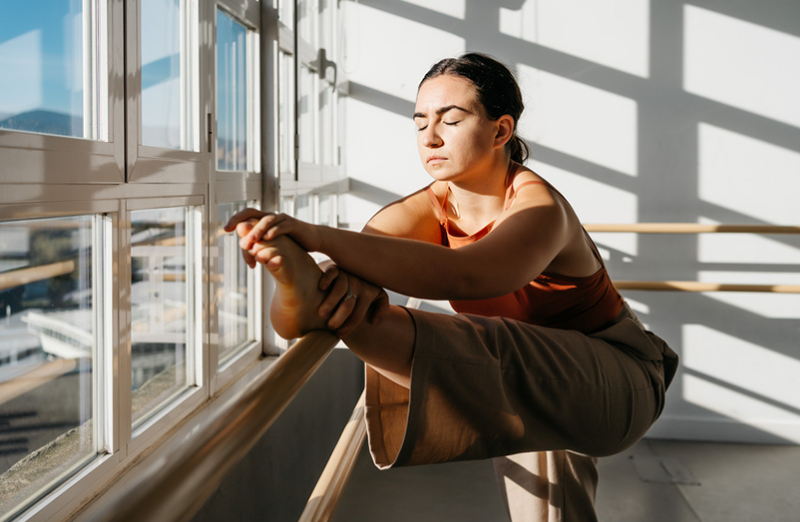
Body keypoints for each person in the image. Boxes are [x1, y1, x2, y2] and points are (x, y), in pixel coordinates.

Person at [226, 53, 678, 522]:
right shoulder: (425, 209)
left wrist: (319, 237)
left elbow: (471, 274)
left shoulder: (539, 207)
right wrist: (303, 283)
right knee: (546, 513)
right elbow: (297, 323)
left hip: (619, 375)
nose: (430, 137)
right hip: (526, 374)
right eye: (419, 122)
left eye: (452, 120)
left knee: (485, 342)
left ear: (501, 131)